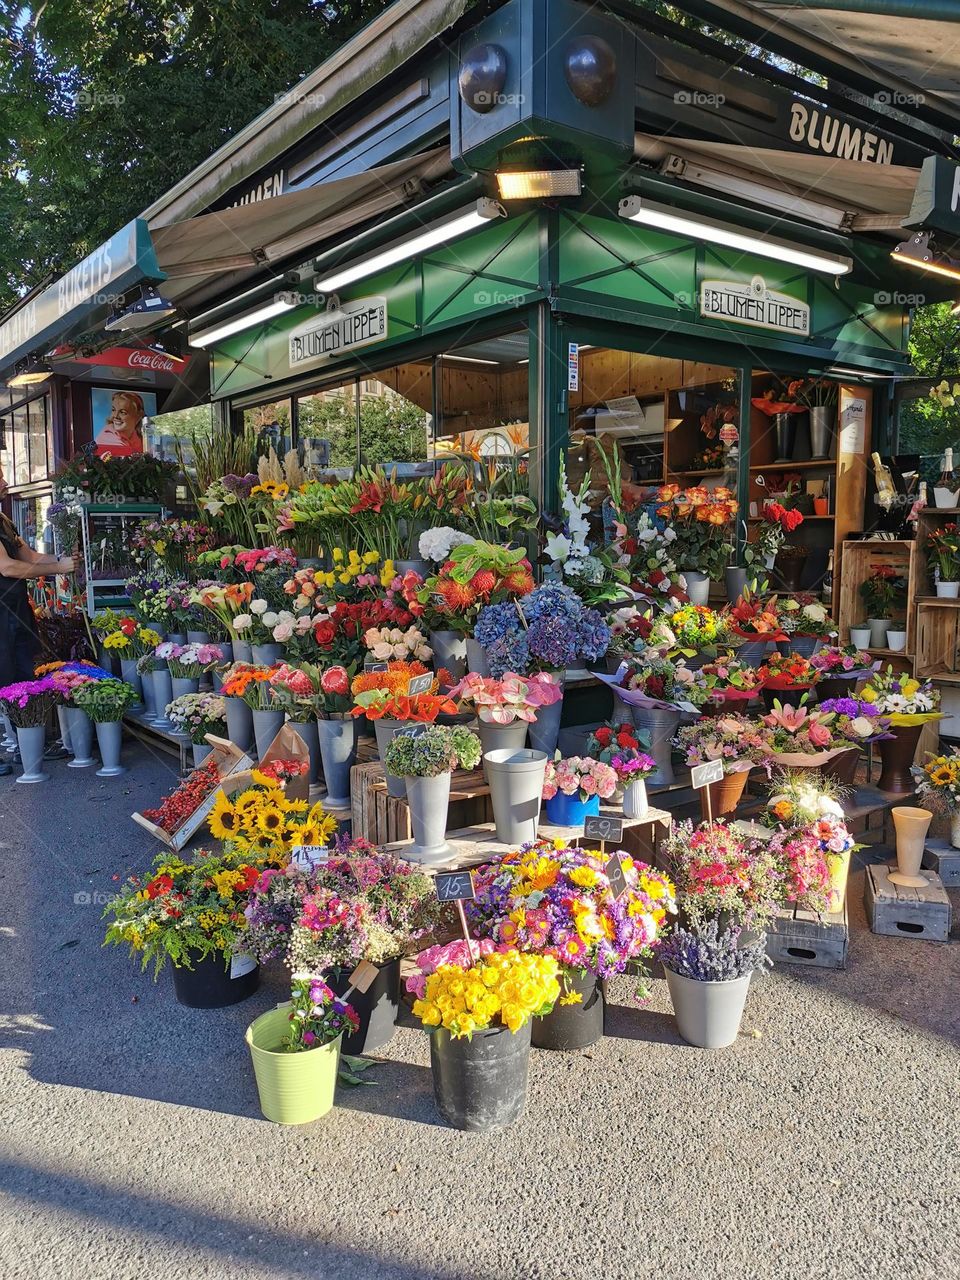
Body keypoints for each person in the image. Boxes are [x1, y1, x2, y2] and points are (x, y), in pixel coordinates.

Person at [0, 469, 74, 775]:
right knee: (4, 675)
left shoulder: (3, 520)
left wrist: (62, 561)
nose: (5, 483)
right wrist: (59, 567)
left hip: (16, 611)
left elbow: (28, 556)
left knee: (21, 673)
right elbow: (7, 568)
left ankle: (26, 742)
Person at [94, 391, 145, 456]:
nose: (115, 416)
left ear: (138, 416)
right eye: (113, 410)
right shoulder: (106, 437)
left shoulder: (138, 437)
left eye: (122, 412)